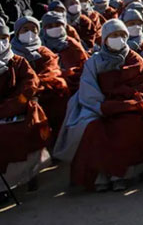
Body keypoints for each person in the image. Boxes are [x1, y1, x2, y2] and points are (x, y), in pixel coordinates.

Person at [54, 19, 143, 191]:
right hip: (98, 107)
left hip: (128, 106)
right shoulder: (94, 62)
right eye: (113, 35)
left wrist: (128, 99)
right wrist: (102, 107)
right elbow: (88, 89)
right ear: (105, 39)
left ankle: (122, 175)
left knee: (129, 125)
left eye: (121, 35)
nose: (118, 39)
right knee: (91, 127)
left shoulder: (134, 58)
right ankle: (100, 176)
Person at [0, 21, 51, 194]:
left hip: (20, 109)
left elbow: (30, 84)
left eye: (4, 38)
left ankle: (30, 174)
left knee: (30, 129)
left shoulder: (18, 62)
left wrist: (13, 104)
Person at [11, 16, 71, 134]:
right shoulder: (11, 54)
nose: (29, 33)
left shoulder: (43, 51)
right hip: (23, 92)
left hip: (44, 89)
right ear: (17, 32)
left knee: (61, 89)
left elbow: (51, 70)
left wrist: (37, 87)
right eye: (25, 29)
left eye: (33, 29)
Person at [40, 11, 88, 95]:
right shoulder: (40, 47)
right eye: (50, 26)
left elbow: (84, 65)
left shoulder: (72, 44)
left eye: (58, 25)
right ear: (44, 29)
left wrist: (69, 74)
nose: (54, 28)